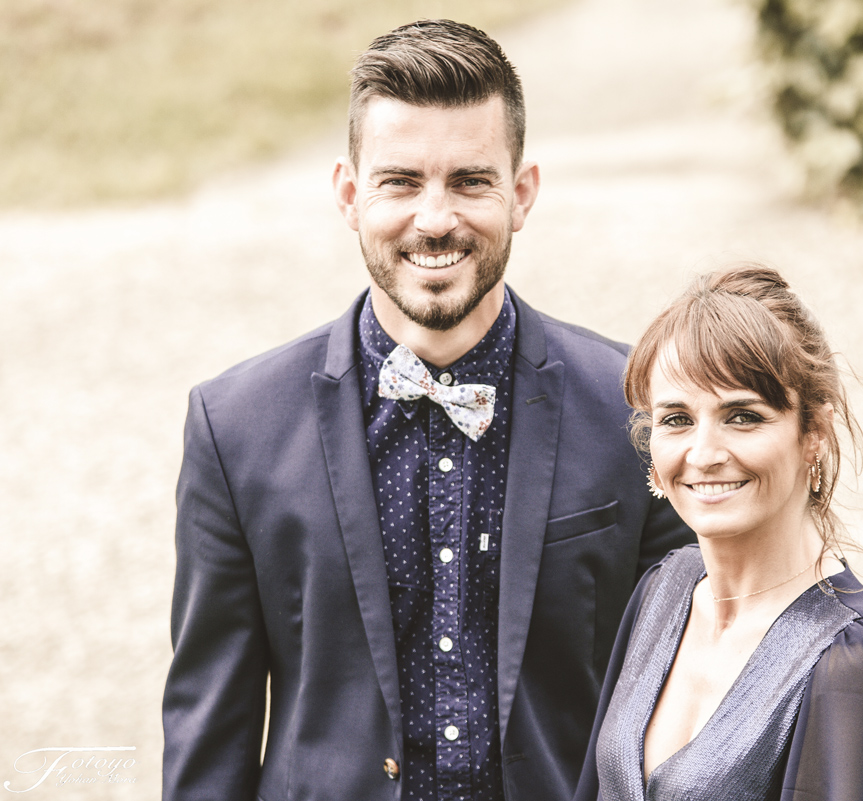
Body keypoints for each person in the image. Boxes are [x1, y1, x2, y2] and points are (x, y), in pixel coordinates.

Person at [161, 20, 691, 801]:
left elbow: (695, 698)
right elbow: (210, 739)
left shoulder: (637, 410)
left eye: (470, 181)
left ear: (521, 193)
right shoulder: (234, 428)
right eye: (401, 181)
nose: (435, 218)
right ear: (350, 194)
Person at [574, 266, 863, 801]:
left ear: (814, 433)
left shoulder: (850, 662)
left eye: (743, 416)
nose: (704, 454)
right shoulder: (662, 589)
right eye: (677, 419)